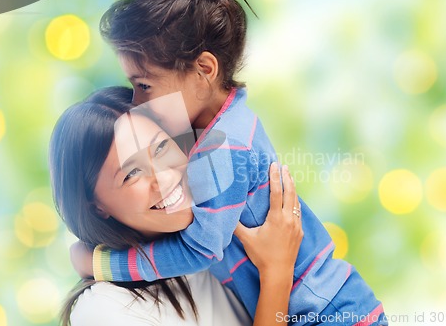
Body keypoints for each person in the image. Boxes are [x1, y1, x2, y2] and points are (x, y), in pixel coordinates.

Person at [72, 0, 388, 325]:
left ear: (204, 70)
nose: (137, 104)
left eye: (144, 85)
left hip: (329, 314)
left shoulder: (223, 148)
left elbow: (198, 249)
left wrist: (101, 263)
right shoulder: (225, 123)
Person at [50, 86, 303, 325]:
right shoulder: (103, 309)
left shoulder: (216, 223)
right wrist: (277, 272)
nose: (164, 177)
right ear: (96, 208)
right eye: (132, 173)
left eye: (161, 147)